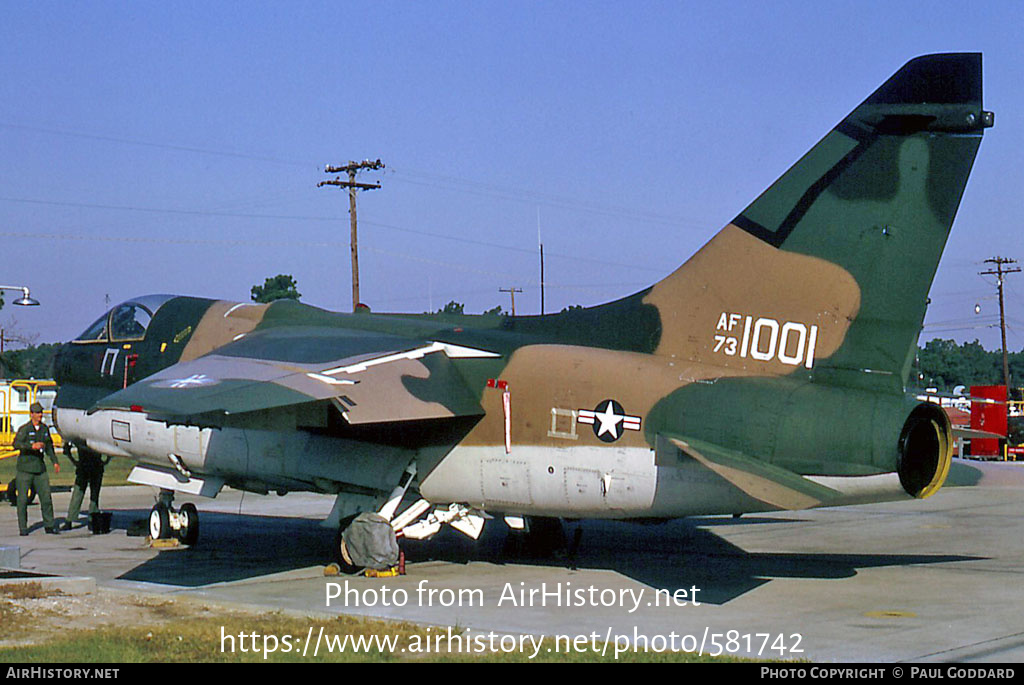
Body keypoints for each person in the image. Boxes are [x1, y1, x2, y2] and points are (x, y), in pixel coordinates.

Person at [14, 402, 60, 535]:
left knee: (46, 498)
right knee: (22, 500)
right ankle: (23, 528)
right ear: (31, 414)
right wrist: (31, 446)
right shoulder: (25, 429)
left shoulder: (45, 429)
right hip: (25, 469)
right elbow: (16, 444)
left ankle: (49, 525)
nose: (40, 415)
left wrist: (55, 462)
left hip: (40, 469)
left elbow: (49, 447)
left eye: (41, 412)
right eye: (37, 413)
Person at [62, 443, 109, 530]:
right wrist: (106, 461)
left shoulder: (80, 438)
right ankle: (91, 519)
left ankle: (72, 520)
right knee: (89, 496)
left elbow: (66, 450)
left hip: (88, 466)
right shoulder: (91, 438)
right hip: (91, 467)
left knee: (81, 495)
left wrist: (74, 461)